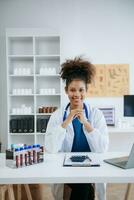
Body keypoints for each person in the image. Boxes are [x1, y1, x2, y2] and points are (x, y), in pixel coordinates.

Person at [45, 57, 109, 200]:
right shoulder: (57, 116)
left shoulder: (96, 115)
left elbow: (102, 148)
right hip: (66, 168)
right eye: (72, 90)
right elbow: (50, 148)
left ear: (86, 90)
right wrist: (66, 121)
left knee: (83, 186)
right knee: (84, 187)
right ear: (66, 91)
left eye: (81, 90)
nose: (77, 95)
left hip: (90, 167)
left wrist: (86, 123)